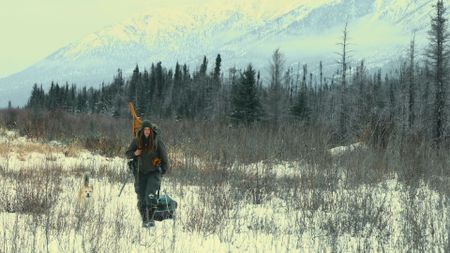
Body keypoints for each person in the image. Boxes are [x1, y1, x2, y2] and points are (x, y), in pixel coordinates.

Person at [126, 120, 168, 228]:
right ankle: (145, 220)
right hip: (140, 172)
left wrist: (162, 170)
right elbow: (128, 153)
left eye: (149, 129)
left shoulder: (156, 141)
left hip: (153, 173)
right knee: (141, 197)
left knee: (150, 195)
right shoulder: (136, 140)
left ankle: (150, 219)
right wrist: (135, 153)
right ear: (142, 130)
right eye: (145, 129)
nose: (147, 131)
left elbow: (164, 157)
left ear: (151, 130)